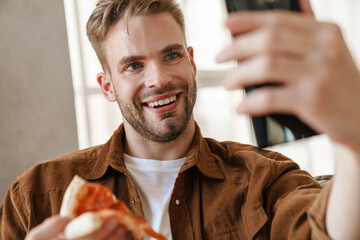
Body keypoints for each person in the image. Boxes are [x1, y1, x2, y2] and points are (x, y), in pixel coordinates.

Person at [1, 0, 359, 239]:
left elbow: (329, 232)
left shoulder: (264, 178)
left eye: (171, 55)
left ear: (191, 62)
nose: (158, 79)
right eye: (134, 65)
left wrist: (354, 139)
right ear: (107, 86)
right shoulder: (34, 196)